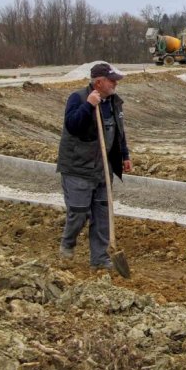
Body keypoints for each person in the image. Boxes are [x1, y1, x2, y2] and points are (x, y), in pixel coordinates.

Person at [56, 62, 132, 269]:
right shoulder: (78, 98)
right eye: (112, 80)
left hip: (102, 168)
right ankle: (68, 243)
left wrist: (124, 155)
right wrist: (88, 105)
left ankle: (99, 260)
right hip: (78, 166)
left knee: (102, 215)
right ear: (99, 82)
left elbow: (119, 132)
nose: (115, 84)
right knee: (79, 212)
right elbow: (72, 125)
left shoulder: (114, 102)